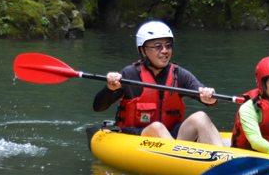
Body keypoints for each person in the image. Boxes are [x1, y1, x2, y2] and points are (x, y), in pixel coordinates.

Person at [93, 20, 224, 146]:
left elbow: (207, 99)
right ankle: (176, 163)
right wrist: (109, 88)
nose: (165, 51)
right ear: (143, 50)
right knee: (157, 127)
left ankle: (224, 162)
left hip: (170, 138)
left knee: (200, 117)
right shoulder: (129, 74)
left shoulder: (179, 74)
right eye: (157, 46)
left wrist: (210, 98)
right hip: (135, 138)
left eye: (168, 45)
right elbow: (98, 107)